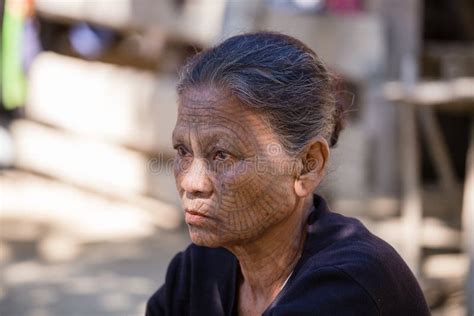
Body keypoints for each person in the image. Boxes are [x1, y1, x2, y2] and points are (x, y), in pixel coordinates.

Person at [146, 32, 430, 316]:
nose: (191, 183)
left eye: (222, 155)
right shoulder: (202, 270)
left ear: (307, 165)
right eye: (183, 151)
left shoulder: (346, 286)